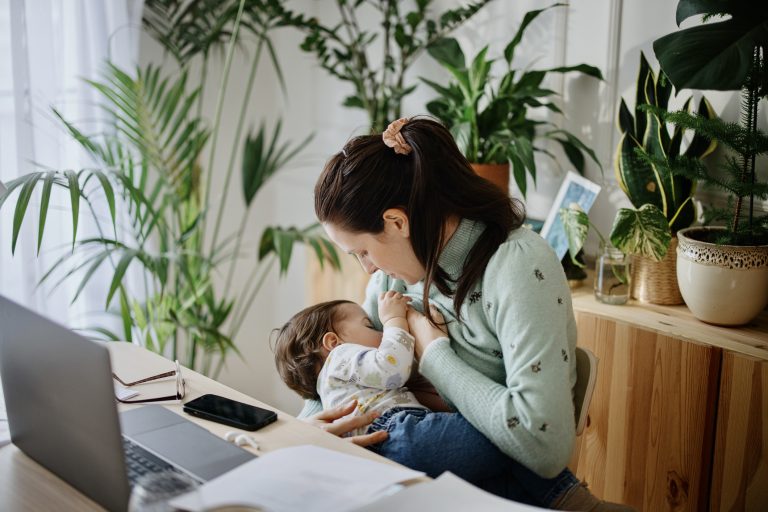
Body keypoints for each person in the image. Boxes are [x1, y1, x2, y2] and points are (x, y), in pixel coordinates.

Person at [299, 116, 633, 511]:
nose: (367, 269)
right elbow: (345, 365)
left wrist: (434, 353)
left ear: (396, 221)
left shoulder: (517, 266)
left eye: (363, 252)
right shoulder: (392, 284)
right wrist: (311, 427)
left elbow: (544, 447)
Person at [274, 291, 571, 501]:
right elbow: (393, 367)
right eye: (368, 325)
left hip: (398, 442)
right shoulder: (340, 357)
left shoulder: (339, 379)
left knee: (501, 478)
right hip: (399, 433)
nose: (377, 331)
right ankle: (569, 496)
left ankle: (563, 499)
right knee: (509, 434)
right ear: (332, 341)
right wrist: (393, 321)